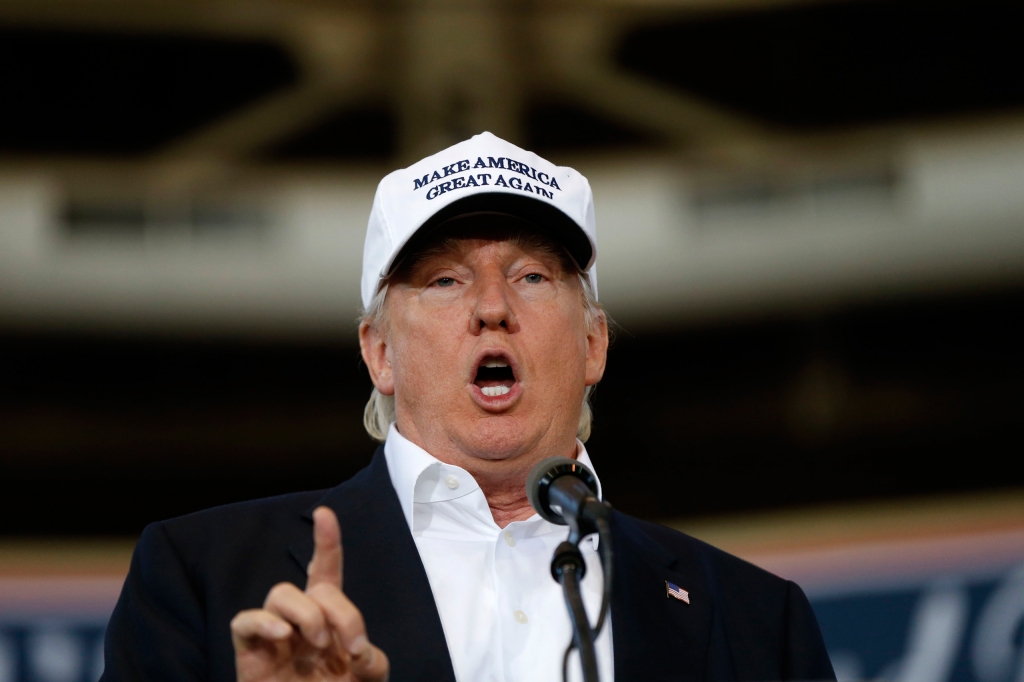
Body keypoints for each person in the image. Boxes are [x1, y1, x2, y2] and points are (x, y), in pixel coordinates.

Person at [101, 132, 836, 682]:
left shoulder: (755, 621)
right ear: (379, 353)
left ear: (593, 345)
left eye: (533, 276)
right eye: (446, 280)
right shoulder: (204, 579)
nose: (492, 307)